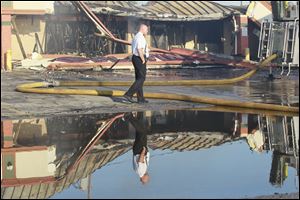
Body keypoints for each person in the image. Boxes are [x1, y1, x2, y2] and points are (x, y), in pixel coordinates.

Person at [123, 24, 150, 104]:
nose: (147, 31)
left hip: (136, 58)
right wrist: (143, 59)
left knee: (139, 79)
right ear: (142, 29)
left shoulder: (136, 36)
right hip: (139, 58)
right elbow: (139, 49)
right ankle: (129, 94)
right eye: (146, 29)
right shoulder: (140, 37)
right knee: (141, 78)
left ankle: (140, 98)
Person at [125, 112, 150, 184]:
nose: (149, 177)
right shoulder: (138, 172)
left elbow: (140, 160)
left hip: (139, 151)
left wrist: (143, 151)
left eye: (147, 179)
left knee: (142, 132)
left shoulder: (141, 172)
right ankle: (136, 116)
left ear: (144, 179)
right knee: (140, 132)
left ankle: (129, 117)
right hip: (136, 150)